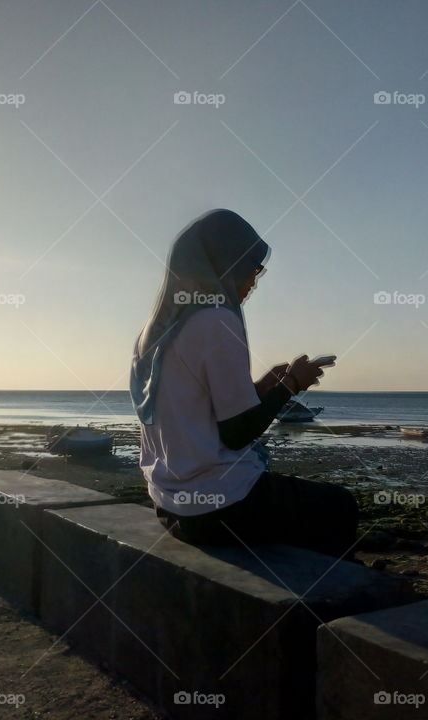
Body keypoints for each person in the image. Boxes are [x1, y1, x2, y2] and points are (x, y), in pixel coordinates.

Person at [129, 209, 359, 559]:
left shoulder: (154, 332)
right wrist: (292, 385)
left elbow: (196, 411)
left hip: (169, 504)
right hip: (220, 508)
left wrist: (264, 386)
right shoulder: (218, 320)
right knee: (341, 507)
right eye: (251, 268)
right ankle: (316, 607)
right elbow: (236, 432)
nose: (254, 280)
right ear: (225, 263)